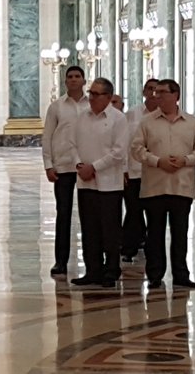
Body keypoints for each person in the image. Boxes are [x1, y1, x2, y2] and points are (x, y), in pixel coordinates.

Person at [131, 79, 195, 289]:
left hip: (181, 187)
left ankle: (181, 274)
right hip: (154, 186)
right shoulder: (147, 122)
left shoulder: (192, 123)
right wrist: (158, 161)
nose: (158, 96)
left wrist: (186, 160)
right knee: (154, 234)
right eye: (156, 93)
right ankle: (155, 275)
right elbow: (136, 149)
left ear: (176, 96)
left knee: (180, 232)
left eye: (163, 92)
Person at [70, 78, 129, 288]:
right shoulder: (82, 117)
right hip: (85, 182)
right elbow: (72, 145)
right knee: (90, 228)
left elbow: (119, 152)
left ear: (108, 97)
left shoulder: (118, 119)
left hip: (109, 184)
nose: (91, 97)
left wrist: (94, 167)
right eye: (91, 93)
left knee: (110, 229)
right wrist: (79, 166)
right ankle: (92, 269)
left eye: (96, 94)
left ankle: (111, 270)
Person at [42, 66, 89, 276]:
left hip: (87, 167)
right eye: (69, 77)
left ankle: (92, 260)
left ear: (84, 80)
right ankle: (60, 261)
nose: (73, 80)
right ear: (65, 81)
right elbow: (48, 136)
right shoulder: (56, 107)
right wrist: (48, 165)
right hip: (63, 166)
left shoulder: (92, 106)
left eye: (77, 76)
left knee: (89, 216)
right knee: (63, 214)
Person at [121, 79, 158, 262]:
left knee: (154, 214)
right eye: (149, 89)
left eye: (156, 90)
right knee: (133, 211)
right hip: (135, 172)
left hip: (157, 173)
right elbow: (125, 144)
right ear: (144, 92)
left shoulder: (165, 116)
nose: (153, 93)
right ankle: (129, 248)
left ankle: (152, 248)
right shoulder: (132, 115)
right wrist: (124, 169)